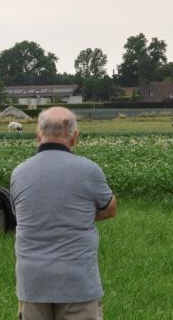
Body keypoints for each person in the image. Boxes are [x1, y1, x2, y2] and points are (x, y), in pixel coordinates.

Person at [10, 107, 117, 320]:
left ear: (38, 135)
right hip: (77, 283)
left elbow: (21, 214)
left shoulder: (19, 173)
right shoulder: (89, 170)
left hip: (32, 283)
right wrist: (81, 214)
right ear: (75, 136)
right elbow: (110, 209)